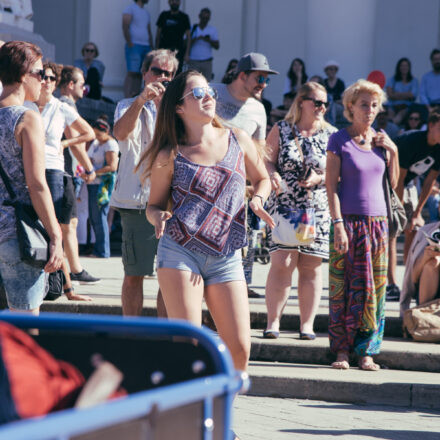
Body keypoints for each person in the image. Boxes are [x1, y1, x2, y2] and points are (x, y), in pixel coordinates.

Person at [137, 69, 274, 374]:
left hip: (227, 254)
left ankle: (221, 412)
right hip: (180, 251)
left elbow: (262, 178)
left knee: (240, 348)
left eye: (209, 90)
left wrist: (258, 200)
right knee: (188, 345)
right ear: (179, 107)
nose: (209, 96)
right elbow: (154, 205)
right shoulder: (169, 154)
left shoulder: (237, 138)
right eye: (198, 93)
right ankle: (189, 414)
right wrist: (158, 216)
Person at [326, 79, 399, 370]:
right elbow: (330, 187)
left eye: (374, 105)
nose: (370, 110)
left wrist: (392, 150)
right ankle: (341, 350)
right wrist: (338, 224)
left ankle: (366, 351)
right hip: (348, 223)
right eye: (364, 105)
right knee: (342, 289)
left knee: (374, 291)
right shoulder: (339, 140)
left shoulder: (382, 140)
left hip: (378, 225)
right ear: (350, 107)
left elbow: (391, 186)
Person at [263, 82, 336, 340]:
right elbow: (267, 159)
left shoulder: (332, 134)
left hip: (315, 208)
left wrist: (320, 178)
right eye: (317, 102)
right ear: (301, 101)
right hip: (285, 205)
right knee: (282, 262)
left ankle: (307, 325)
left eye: (325, 103)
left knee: (310, 267)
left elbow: (338, 172)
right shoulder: (282, 128)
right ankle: (273, 322)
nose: (321, 107)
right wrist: (271, 175)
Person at [111, 49, 178, 316]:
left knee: (169, 277)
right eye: (157, 71)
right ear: (144, 73)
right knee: (133, 274)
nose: (162, 78)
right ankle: (131, 334)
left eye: (168, 74)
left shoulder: (178, 110)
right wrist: (142, 100)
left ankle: (165, 335)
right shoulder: (127, 104)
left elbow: (176, 143)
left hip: (170, 203)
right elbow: (121, 133)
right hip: (136, 201)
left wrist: (163, 105)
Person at [25, 62, 97, 301]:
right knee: (34, 230)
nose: (46, 81)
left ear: (56, 84)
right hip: (28, 170)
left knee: (54, 229)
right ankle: (52, 286)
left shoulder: (60, 107)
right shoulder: (25, 105)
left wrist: (63, 145)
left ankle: (65, 288)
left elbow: (89, 133)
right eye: (42, 76)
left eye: (51, 78)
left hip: (54, 171)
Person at [0, 40, 63, 313]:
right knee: (25, 326)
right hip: (17, 233)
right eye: (40, 73)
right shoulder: (27, 117)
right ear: (24, 76)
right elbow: (36, 184)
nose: (44, 80)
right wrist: (55, 234)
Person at [212, 52, 279, 298]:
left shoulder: (258, 109)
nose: (264, 84)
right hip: (203, 187)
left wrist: (262, 181)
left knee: (245, 241)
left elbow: (258, 152)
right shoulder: (212, 92)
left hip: (237, 190)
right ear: (242, 75)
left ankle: (242, 287)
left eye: (266, 80)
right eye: (260, 78)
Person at [388, 109, 440, 301]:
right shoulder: (412, 141)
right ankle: (391, 284)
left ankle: (406, 283)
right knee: (393, 233)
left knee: (413, 229)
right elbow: (397, 180)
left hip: (409, 183)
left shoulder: (439, 148)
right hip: (388, 181)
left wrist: (417, 212)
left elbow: (429, 182)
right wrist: (399, 212)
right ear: (432, 126)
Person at [57, 66, 102, 289]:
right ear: (69, 84)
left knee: (68, 223)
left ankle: (71, 269)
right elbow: (75, 143)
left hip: (66, 171)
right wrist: (89, 169)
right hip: (65, 171)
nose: (85, 87)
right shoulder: (65, 104)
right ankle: (74, 270)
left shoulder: (65, 104)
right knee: (68, 223)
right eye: (81, 83)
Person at [87, 115, 119, 258]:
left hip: (103, 185)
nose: (97, 137)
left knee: (100, 217)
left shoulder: (110, 144)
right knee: (94, 217)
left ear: (106, 132)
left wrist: (93, 172)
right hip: (93, 182)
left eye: (99, 134)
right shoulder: (96, 143)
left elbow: (112, 166)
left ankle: (103, 251)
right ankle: (98, 249)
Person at [401, 221, 440, 314]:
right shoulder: (426, 231)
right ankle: (424, 317)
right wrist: (424, 258)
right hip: (429, 293)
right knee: (432, 263)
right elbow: (412, 279)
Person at [122, 0, 153, 98]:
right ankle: (127, 98)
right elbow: (125, 26)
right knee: (132, 72)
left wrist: (151, 46)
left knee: (141, 73)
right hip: (134, 45)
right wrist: (129, 42)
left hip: (146, 46)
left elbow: (148, 30)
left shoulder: (146, 12)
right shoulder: (130, 8)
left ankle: (135, 97)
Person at [155, 0, 190, 74]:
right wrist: (156, 51)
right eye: (172, 1)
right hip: (164, 50)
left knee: (176, 73)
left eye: (176, 1)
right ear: (169, 2)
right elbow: (158, 35)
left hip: (178, 51)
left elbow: (188, 37)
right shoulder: (163, 15)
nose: (174, 2)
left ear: (179, 2)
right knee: (163, 73)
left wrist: (187, 53)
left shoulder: (184, 17)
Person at [187, 7, 219, 81]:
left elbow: (217, 46)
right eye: (203, 17)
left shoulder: (212, 30)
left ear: (209, 18)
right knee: (192, 81)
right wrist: (196, 39)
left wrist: (208, 40)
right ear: (199, 16)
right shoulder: (193, 28)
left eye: (206, 18)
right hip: (193, 61)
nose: (204, 20)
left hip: (207, 61)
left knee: (206, 83)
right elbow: (185, 43)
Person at [385, 57, 418, 126]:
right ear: (398, 67)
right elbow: (389, 94)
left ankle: (393, 126)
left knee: (400, 115)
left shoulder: (413, 80)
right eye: (402, 66)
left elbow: (412, 95)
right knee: (390, 114)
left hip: (405, 107)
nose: (404, 68)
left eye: (406, 66)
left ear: (409, 67)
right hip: (393, 106)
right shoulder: (392, 79)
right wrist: (406, 95)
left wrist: (396, 94)